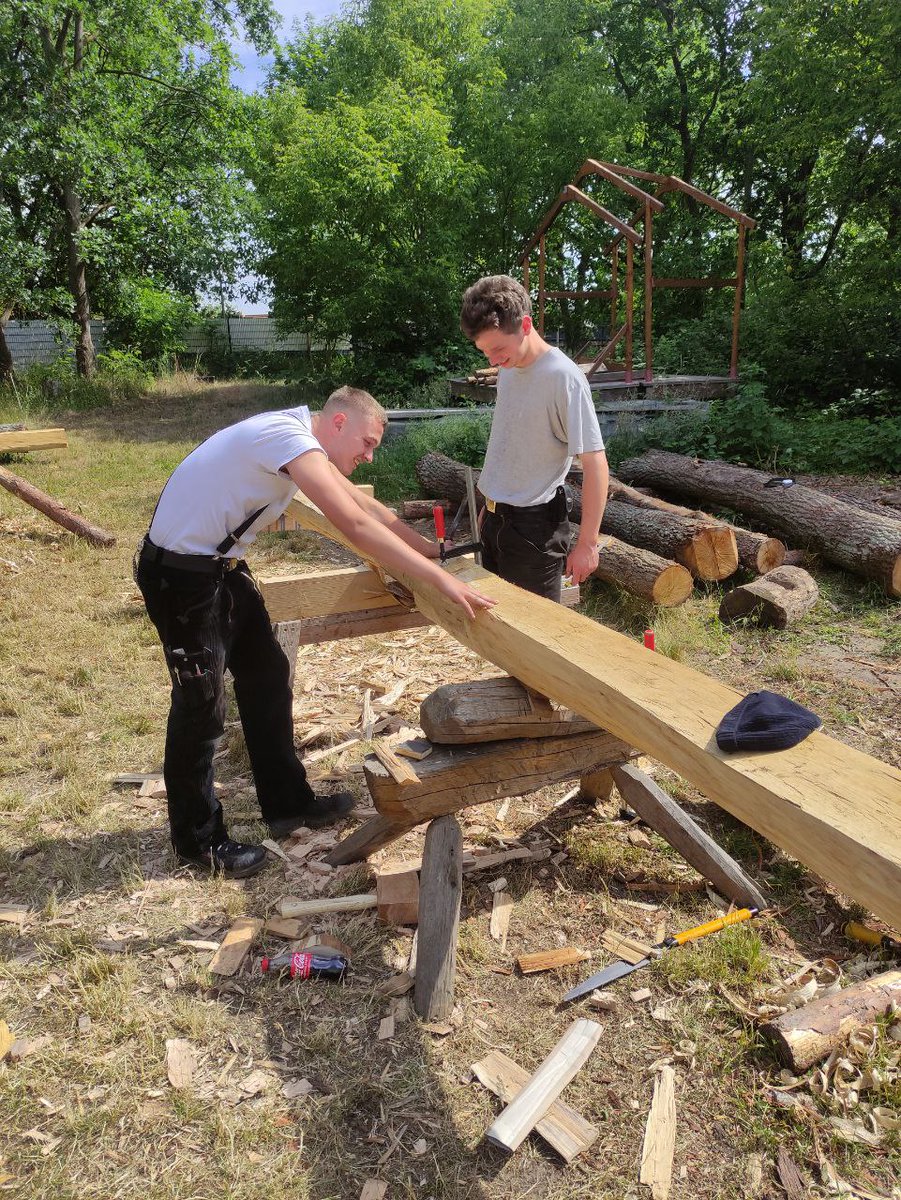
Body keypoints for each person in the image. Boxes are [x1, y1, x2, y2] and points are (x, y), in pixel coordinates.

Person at [135, 386, 495, 878]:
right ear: (339, 422)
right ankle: (197, 840)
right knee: (201, 706)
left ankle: (288, 803)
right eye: (367, 443)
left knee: (267, 675)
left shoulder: (301, 443)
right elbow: (353, 524)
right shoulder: (288, 437)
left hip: (220, 567)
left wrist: (429, 550)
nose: (369, 457)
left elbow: (366, 507)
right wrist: (439, 580)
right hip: (180, 576)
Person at [460, 275, 609, 601]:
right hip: (495, 519)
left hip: (534, 530)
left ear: (525, 325)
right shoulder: (509, 369)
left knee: (532, 628)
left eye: (497, 348)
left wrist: (587, 544)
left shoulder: (563, 378)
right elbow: (509, 441)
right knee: (494, 620)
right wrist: (490, 500)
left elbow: (595, 462)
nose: (493, 360)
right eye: (485, 352)